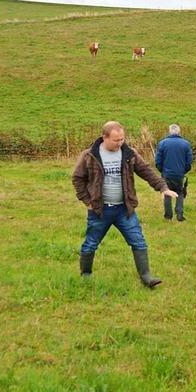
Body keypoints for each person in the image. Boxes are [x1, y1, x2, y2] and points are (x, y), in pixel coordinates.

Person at [72, 121, 177, 288]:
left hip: (124, 210)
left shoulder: (129, 153)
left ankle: (146, 276)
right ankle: (86, 275)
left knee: (138, 241)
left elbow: (146, 171)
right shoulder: (89, 155)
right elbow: (77, 178)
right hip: (99, 211)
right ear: (104, 137)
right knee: (91, 243)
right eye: (116, 140)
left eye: (122, 139)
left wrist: (162, 187)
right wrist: (87, 201)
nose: (120, 143)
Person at [154, 124, 194, 222]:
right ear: (179, 132)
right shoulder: (186, 144)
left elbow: (158, 161)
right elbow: (189, 161)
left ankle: (168, 215)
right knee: (179, 192)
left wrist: (162, 170)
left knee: (167, 192)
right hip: (180, 174)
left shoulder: (162, 143)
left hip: (166, 173)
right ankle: (179, 214)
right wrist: (184, 170)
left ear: (169, 132)